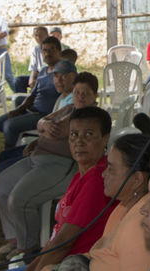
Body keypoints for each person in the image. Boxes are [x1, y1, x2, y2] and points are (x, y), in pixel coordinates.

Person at [0, 71, 98, 259]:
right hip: (37, 156)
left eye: (85, 93)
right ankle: (14, 239)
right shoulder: (68, 109)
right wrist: (44, 126)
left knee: (19, 199)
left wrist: (45, 128)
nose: (80, 97)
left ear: (95, 96)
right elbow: (43, 121)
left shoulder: (92, 117)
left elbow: (57, 130)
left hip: (60, 164)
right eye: (76, 92)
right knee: (1, 186)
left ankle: (28, 248)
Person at [16, 107, 118, 271]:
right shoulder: (82, 175)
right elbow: (56, 237)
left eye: (89, 134)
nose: (79, 141)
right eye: (74, 135)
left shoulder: (98, 180)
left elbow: (63, 243)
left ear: (105, 139)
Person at [57, 134, 150, 271]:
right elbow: (99, 254)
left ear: (137, 179)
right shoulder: (123, 206)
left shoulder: (140, 226)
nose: (103, 174)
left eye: (111, 169)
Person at [0, 36, 61, 149]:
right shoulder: (43, 71)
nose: (47, 53)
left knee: (9, 126)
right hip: (33, 109)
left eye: (52, 50)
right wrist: (18, 110)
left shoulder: (62, 73)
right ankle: (13, 143)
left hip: (46, 115)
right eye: (44, 50)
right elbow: (33, 95)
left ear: (59, 52)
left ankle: (9, 152)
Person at [15, 27, 49, 93]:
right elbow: (34, 67)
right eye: (36, 35)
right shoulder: (36, 49)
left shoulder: (52, 47)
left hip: (48, 76)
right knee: (19, 80)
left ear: (47, 35)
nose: (38, 37)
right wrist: (32, 78)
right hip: (38, 75)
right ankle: (22, 100)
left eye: (41, 35)